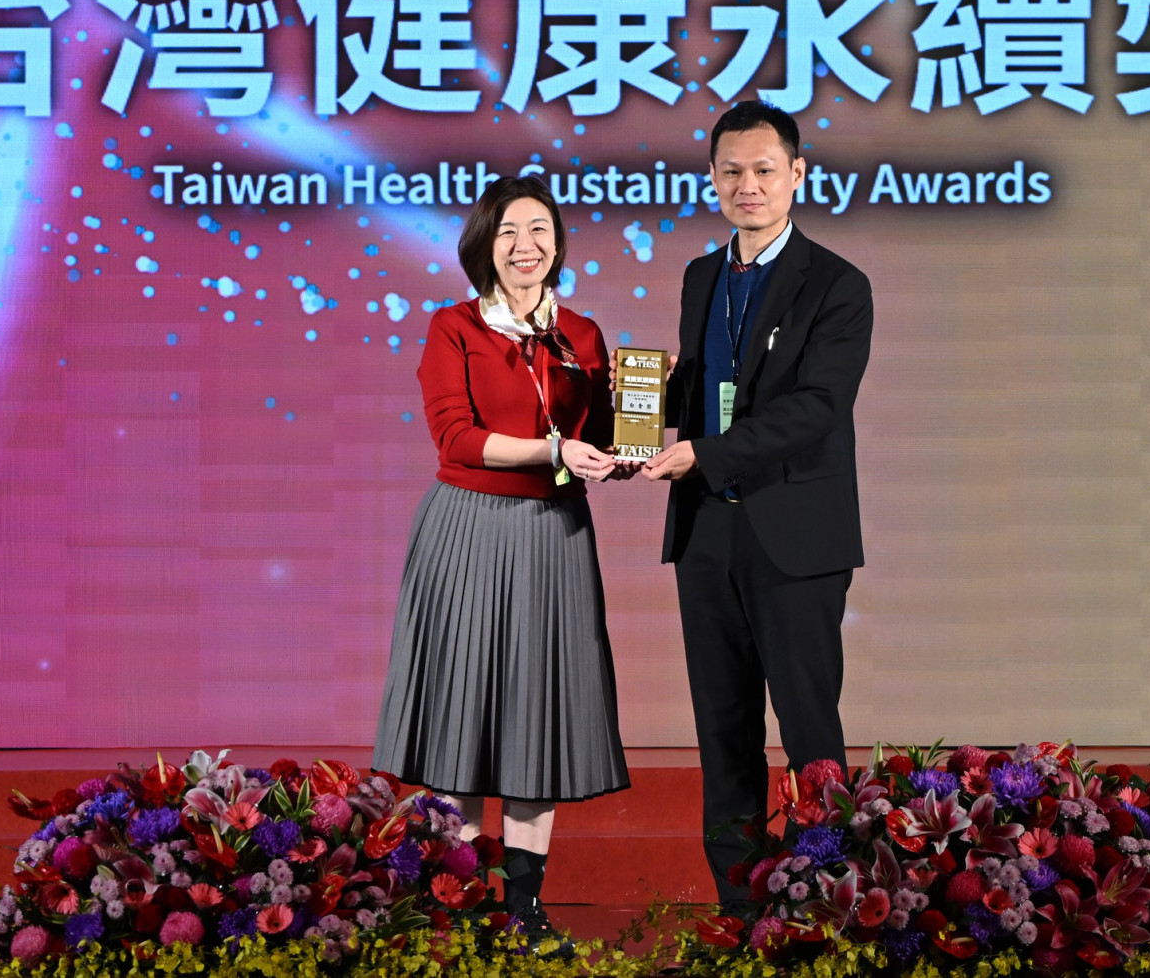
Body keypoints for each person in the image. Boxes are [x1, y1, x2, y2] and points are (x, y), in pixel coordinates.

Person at [374, 174, 631, 937]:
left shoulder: (581, 333)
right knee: (462, 717)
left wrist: (637, 427)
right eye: (510, 231)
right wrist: (554, 449)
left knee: (535, 717)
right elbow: (455, 438)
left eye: (540, 230)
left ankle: (523, 907)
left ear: (558, 244)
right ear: (484, 245)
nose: (527, 246)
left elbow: (600, 443)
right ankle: (457, 901)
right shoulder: (453, 326)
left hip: (554, 536)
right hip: (470, 530)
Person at [641, 100, 874, 908]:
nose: (748, 185)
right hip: (707, 531)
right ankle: (740, 913)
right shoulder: (702, 276)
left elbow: (816, 407)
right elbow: (703, 386)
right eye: (732, 171)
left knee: (809, 730)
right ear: (712, 178)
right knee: (723, 732)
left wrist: (705, 453)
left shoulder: (838, 284)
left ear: (797, 175)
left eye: (764, 170)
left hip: (794, 538)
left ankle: (828, 908)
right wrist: (634, 407)